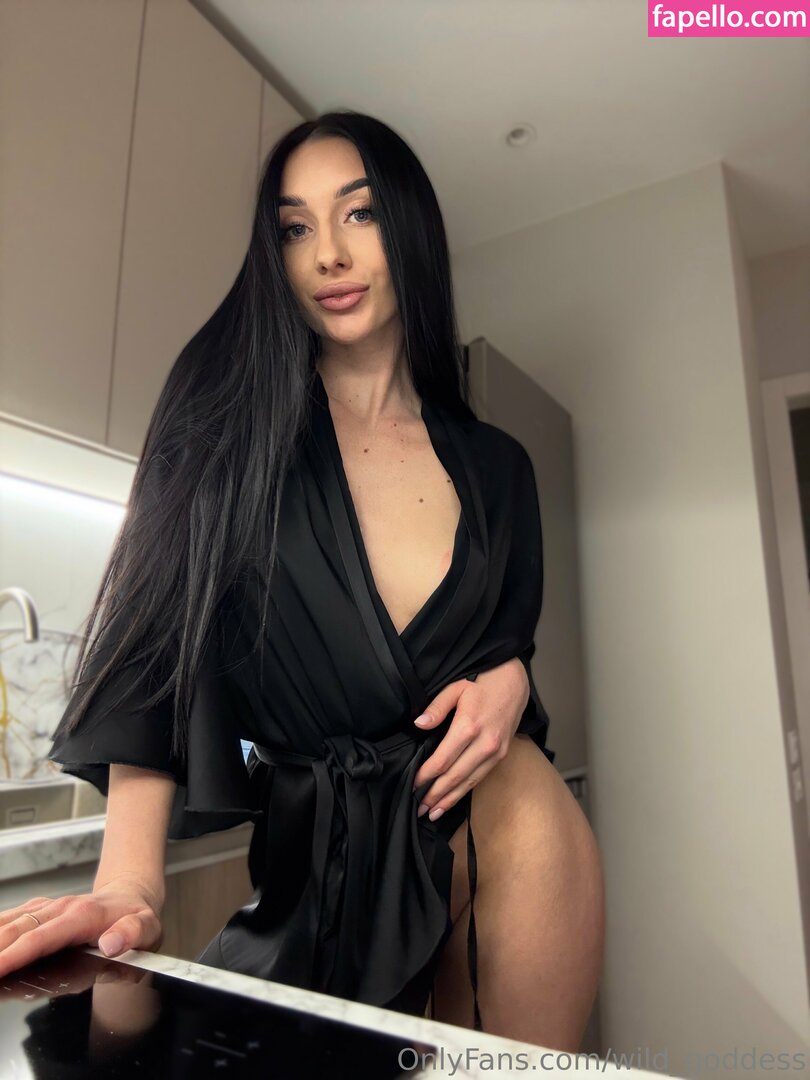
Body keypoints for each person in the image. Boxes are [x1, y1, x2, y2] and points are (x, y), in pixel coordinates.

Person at [0, 111, 604, 1050]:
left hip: (512, 840)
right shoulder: (223, 412)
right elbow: (154, 653)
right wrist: (127, 884)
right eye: (294, 227)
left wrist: (512, 677)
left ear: (409, 227)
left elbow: (500, 657)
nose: (328, 253)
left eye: (359, 214)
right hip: (311, 879)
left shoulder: (501, 470)